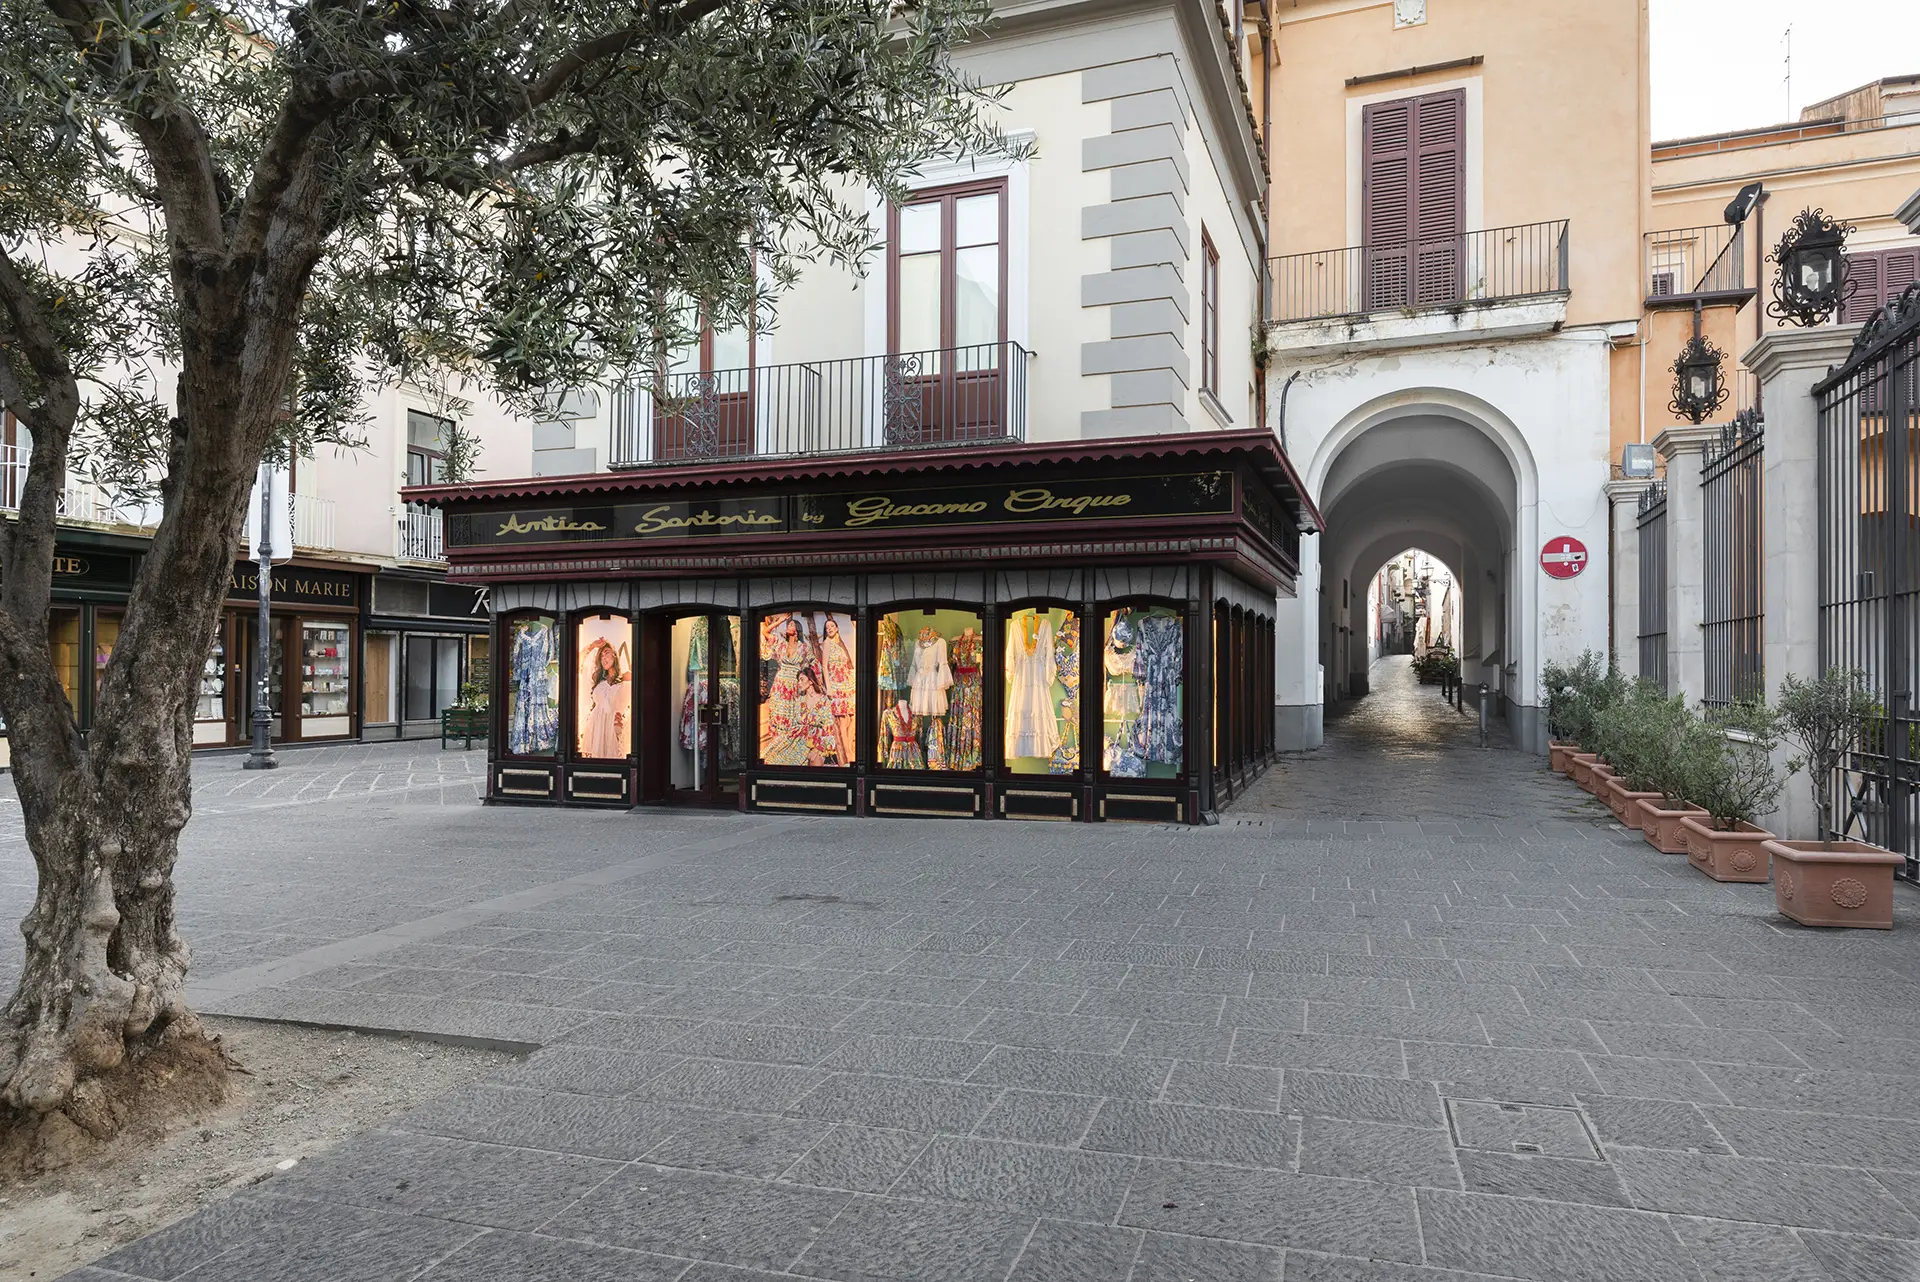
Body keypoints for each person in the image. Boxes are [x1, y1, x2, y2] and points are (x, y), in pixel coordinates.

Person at [580, 638, 629, 758]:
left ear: (614, 655)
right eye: (601, 656)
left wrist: (624, 718)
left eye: (606, 653)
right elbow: (574, 664)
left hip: (614, 728)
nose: (604, 658)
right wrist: (592, 646)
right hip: (596, 728)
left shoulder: (625, 677)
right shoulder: (597, 679)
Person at [821, 616, 857, 766]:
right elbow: (824, 666)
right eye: (827, 627)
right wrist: (829, 686)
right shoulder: (827, 643)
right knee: (842, 719)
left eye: (832, 626)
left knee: (851, 717)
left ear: (837, 628)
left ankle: (851, 746)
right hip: (836, 683)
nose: (829, 629)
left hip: (846, 683)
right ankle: (847, 752)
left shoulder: (838, 643)